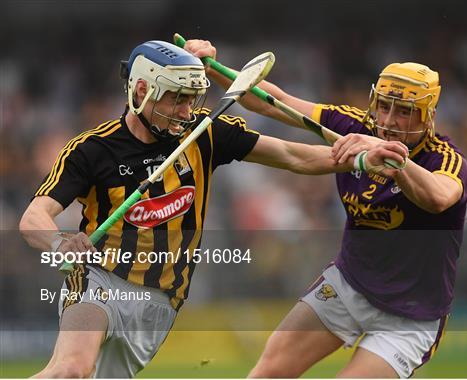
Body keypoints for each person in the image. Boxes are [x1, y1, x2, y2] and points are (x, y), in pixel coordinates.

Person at [16, 40, 394, 378]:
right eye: (176, 98)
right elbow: (33, 218)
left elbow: (293, 155)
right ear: (142, 90)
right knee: (70, 371)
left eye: (190, 99)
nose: (185, 110)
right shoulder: (92, 150)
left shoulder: (205, 132)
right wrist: (59, 241)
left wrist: (358, 160)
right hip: (101, 281)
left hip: (161, 301)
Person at [185, 40, 467, 378]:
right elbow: (275, 103)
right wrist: (214, 69)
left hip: (411, 316)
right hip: (350, 285)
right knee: (269, 370)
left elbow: (437, 197)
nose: (390, 121)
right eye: (384, 107)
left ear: (428, 116)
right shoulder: (352, 126)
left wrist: (391, 157)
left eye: (404, 111)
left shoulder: (446, 160)